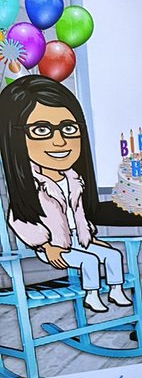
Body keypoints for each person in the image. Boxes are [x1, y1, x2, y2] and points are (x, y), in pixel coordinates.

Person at [0, 75, 131, 314]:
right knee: (90, 261)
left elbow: (78, 214)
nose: (60, 141)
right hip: (53, 246)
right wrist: (45, 246)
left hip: (78, 240)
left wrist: (89, 237)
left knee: (112, 255)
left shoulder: (74, 180)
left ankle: (115, 290)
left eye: (69, 128)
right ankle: (92, 295)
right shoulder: (32, 187)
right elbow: (20, 222)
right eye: (41, 130)